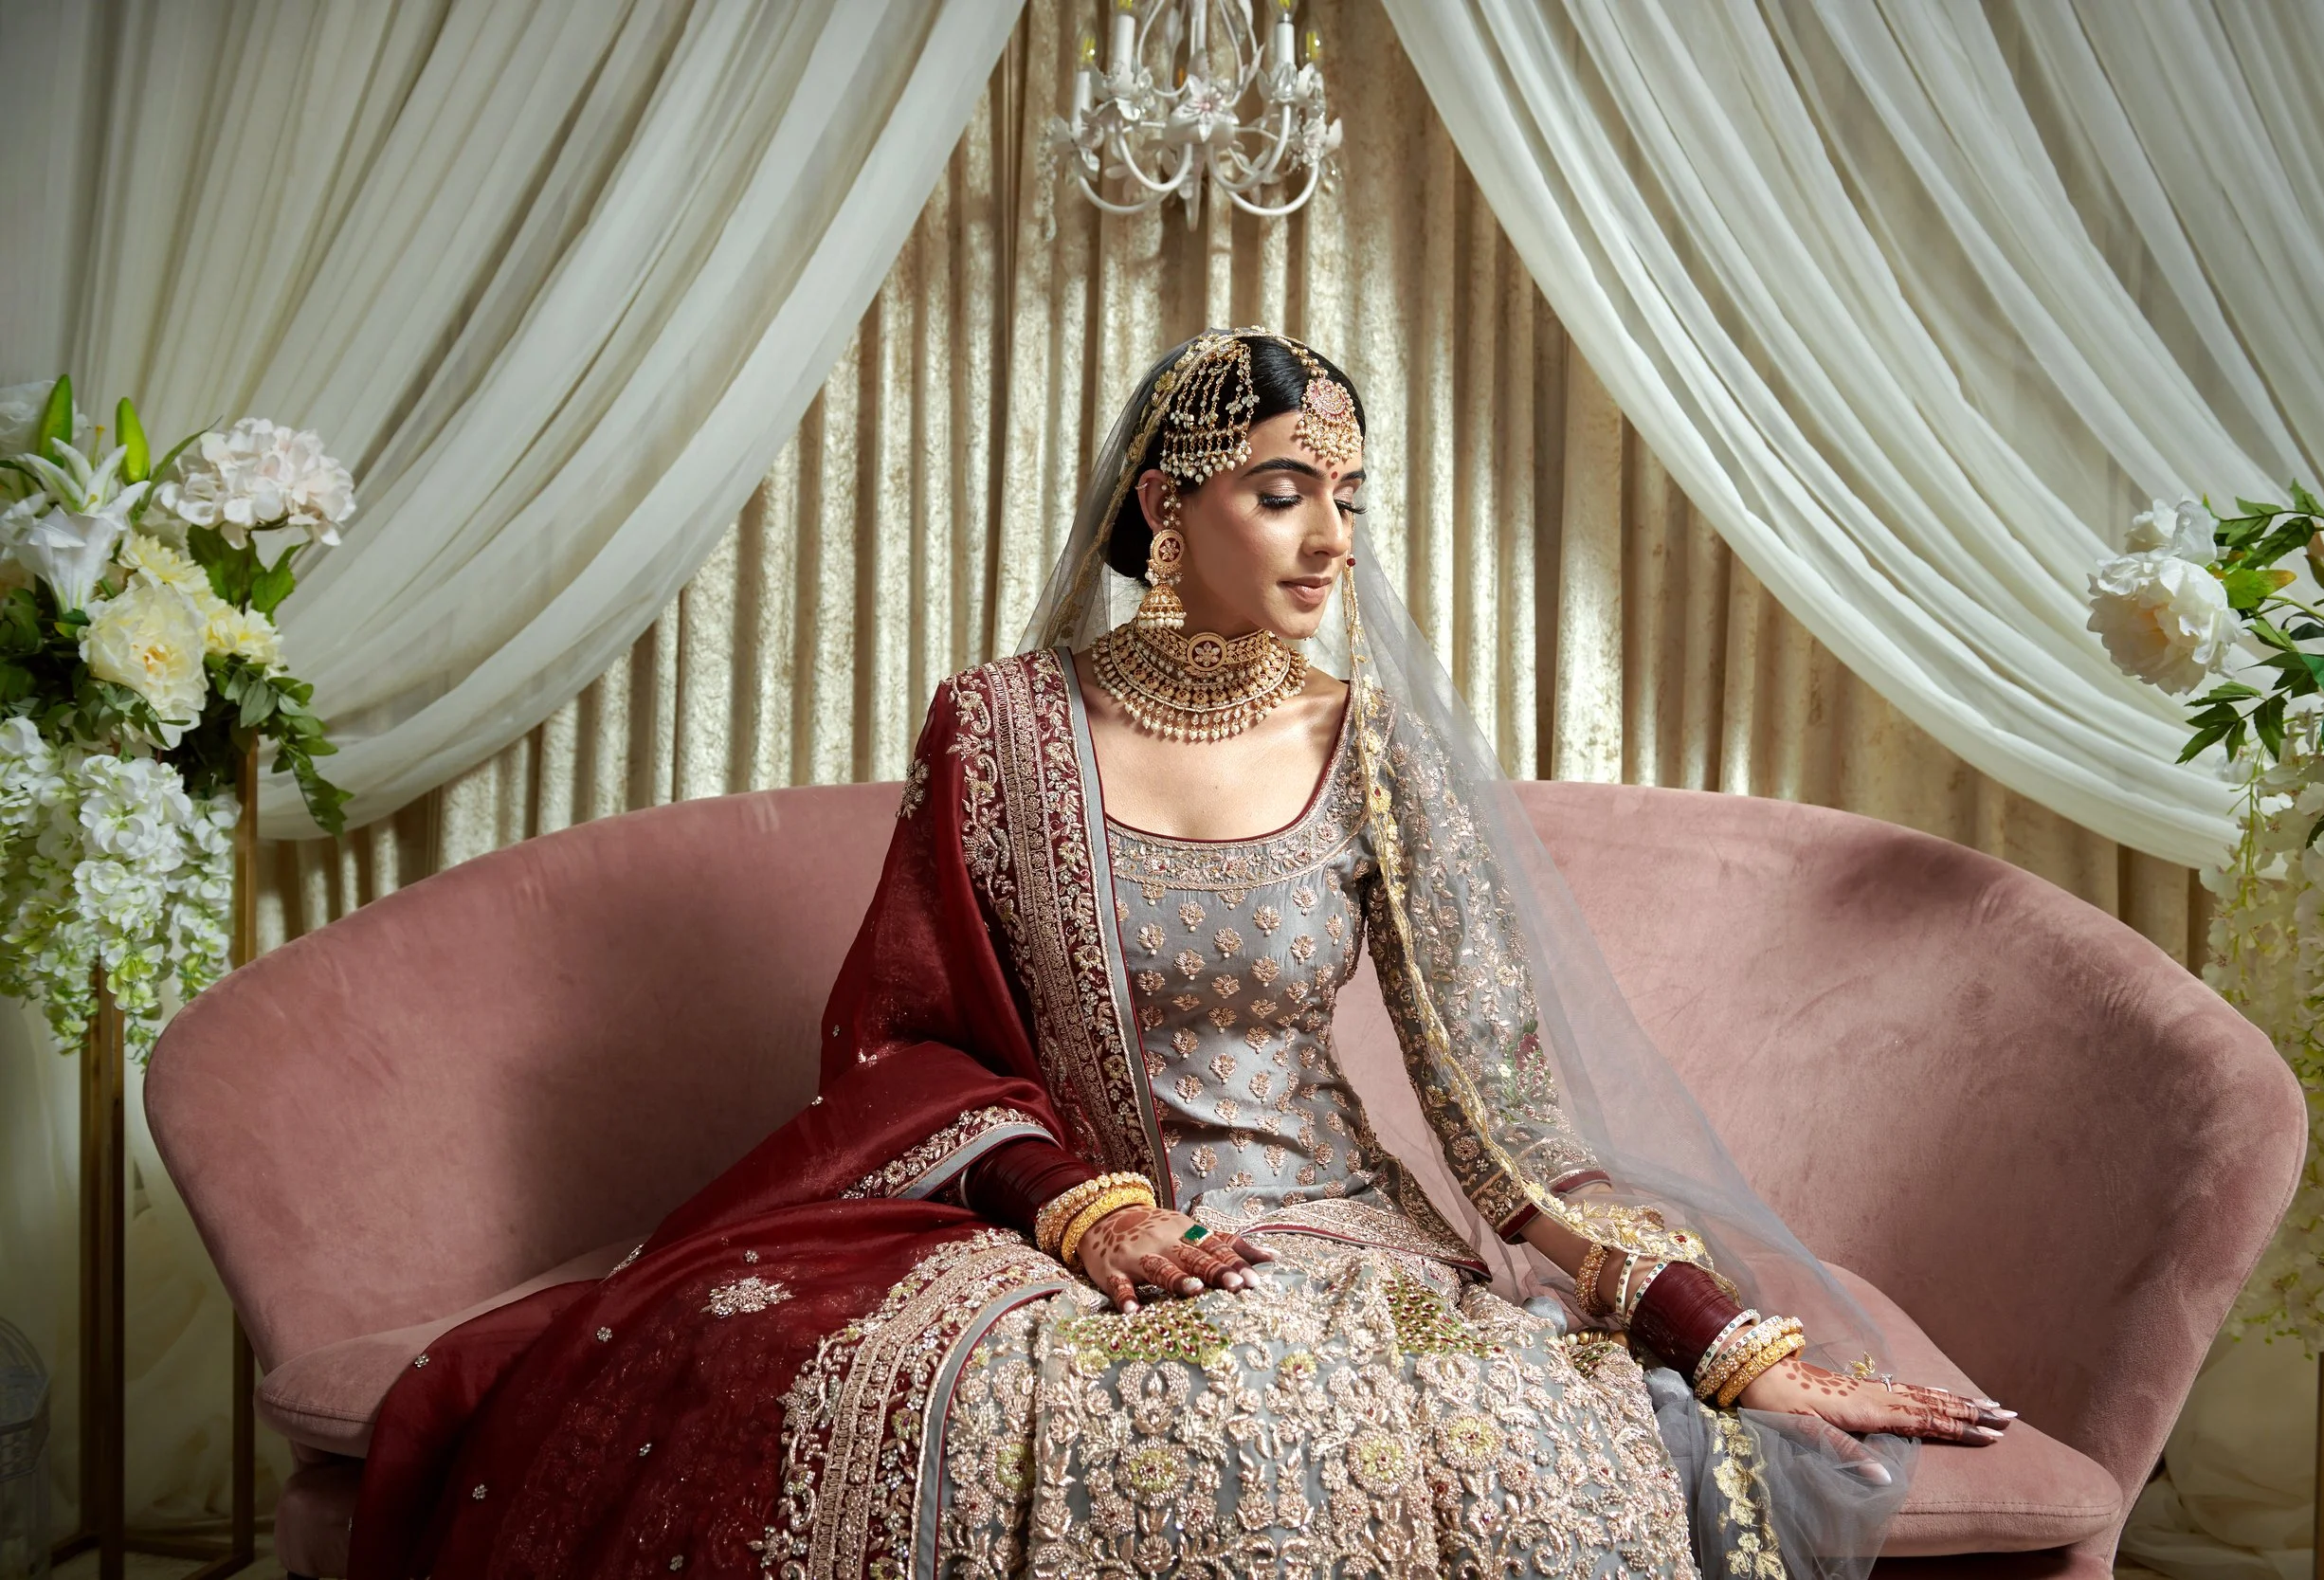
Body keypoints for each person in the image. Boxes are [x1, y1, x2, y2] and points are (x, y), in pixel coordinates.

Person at [351, 330, 2010, 1580]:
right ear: (1166, 506)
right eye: (1283, 492)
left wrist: (1729, 1341)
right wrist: (1083, 1206)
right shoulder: (1001, 731)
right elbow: (903, 1042)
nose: (1331, 539)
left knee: (1374, 1419)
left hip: (1331, 1235)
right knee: (827, 1377)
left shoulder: (1377, 756)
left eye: (1348, 498)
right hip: (1056, 1226)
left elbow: (1502, 1123)